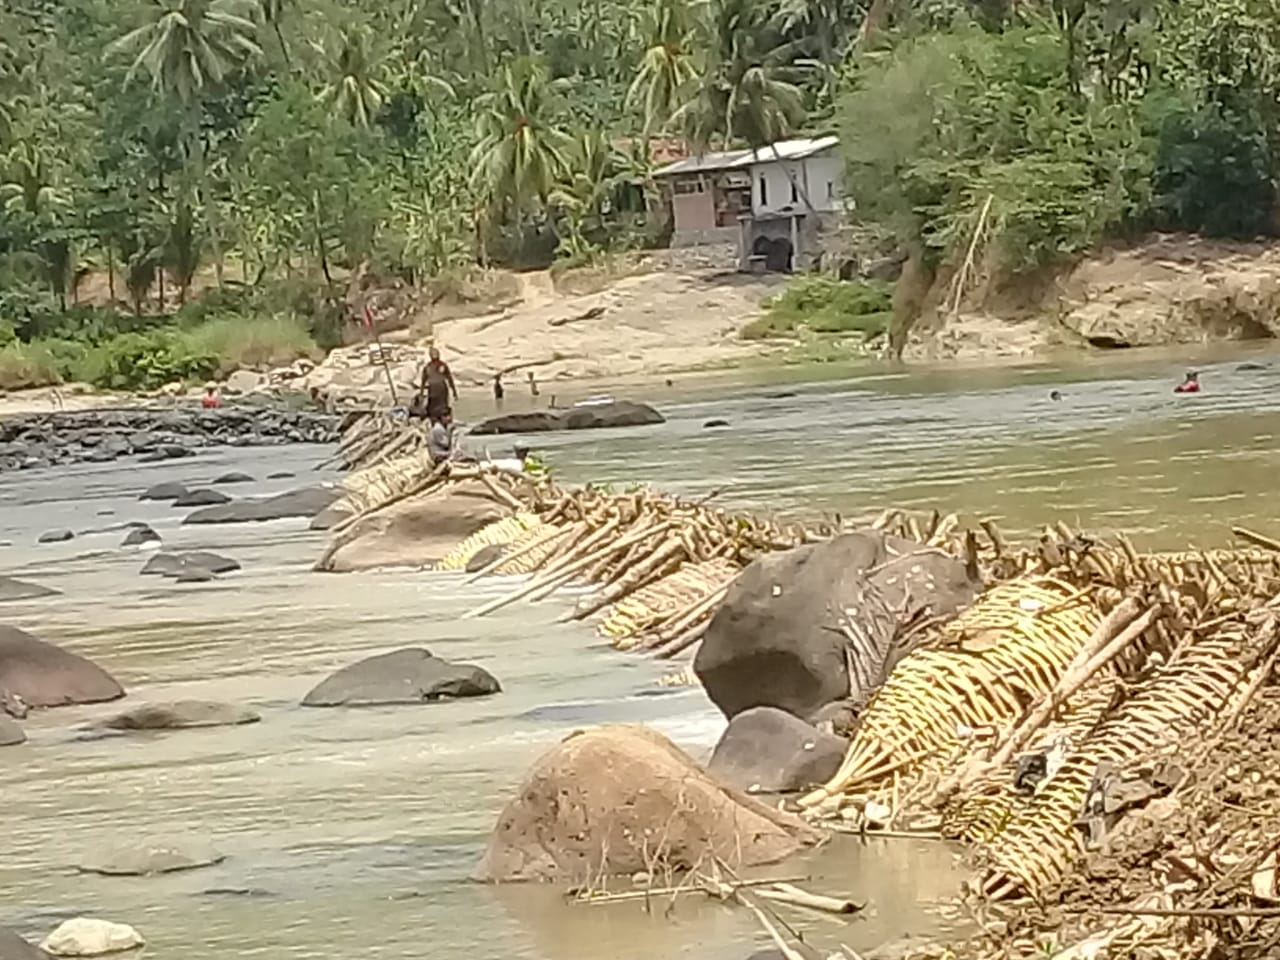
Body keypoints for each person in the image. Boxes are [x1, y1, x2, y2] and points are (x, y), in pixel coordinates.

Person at [420, 345, 458, 422]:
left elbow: (423, 382)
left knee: (434, 409)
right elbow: (449, 379)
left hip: (435, 389)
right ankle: (442, 422)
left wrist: (421, 393)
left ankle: (436, 422)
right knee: (441, 408)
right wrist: (454, 392)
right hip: (439, 389)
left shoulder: (428, 367)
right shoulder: (440, 366)